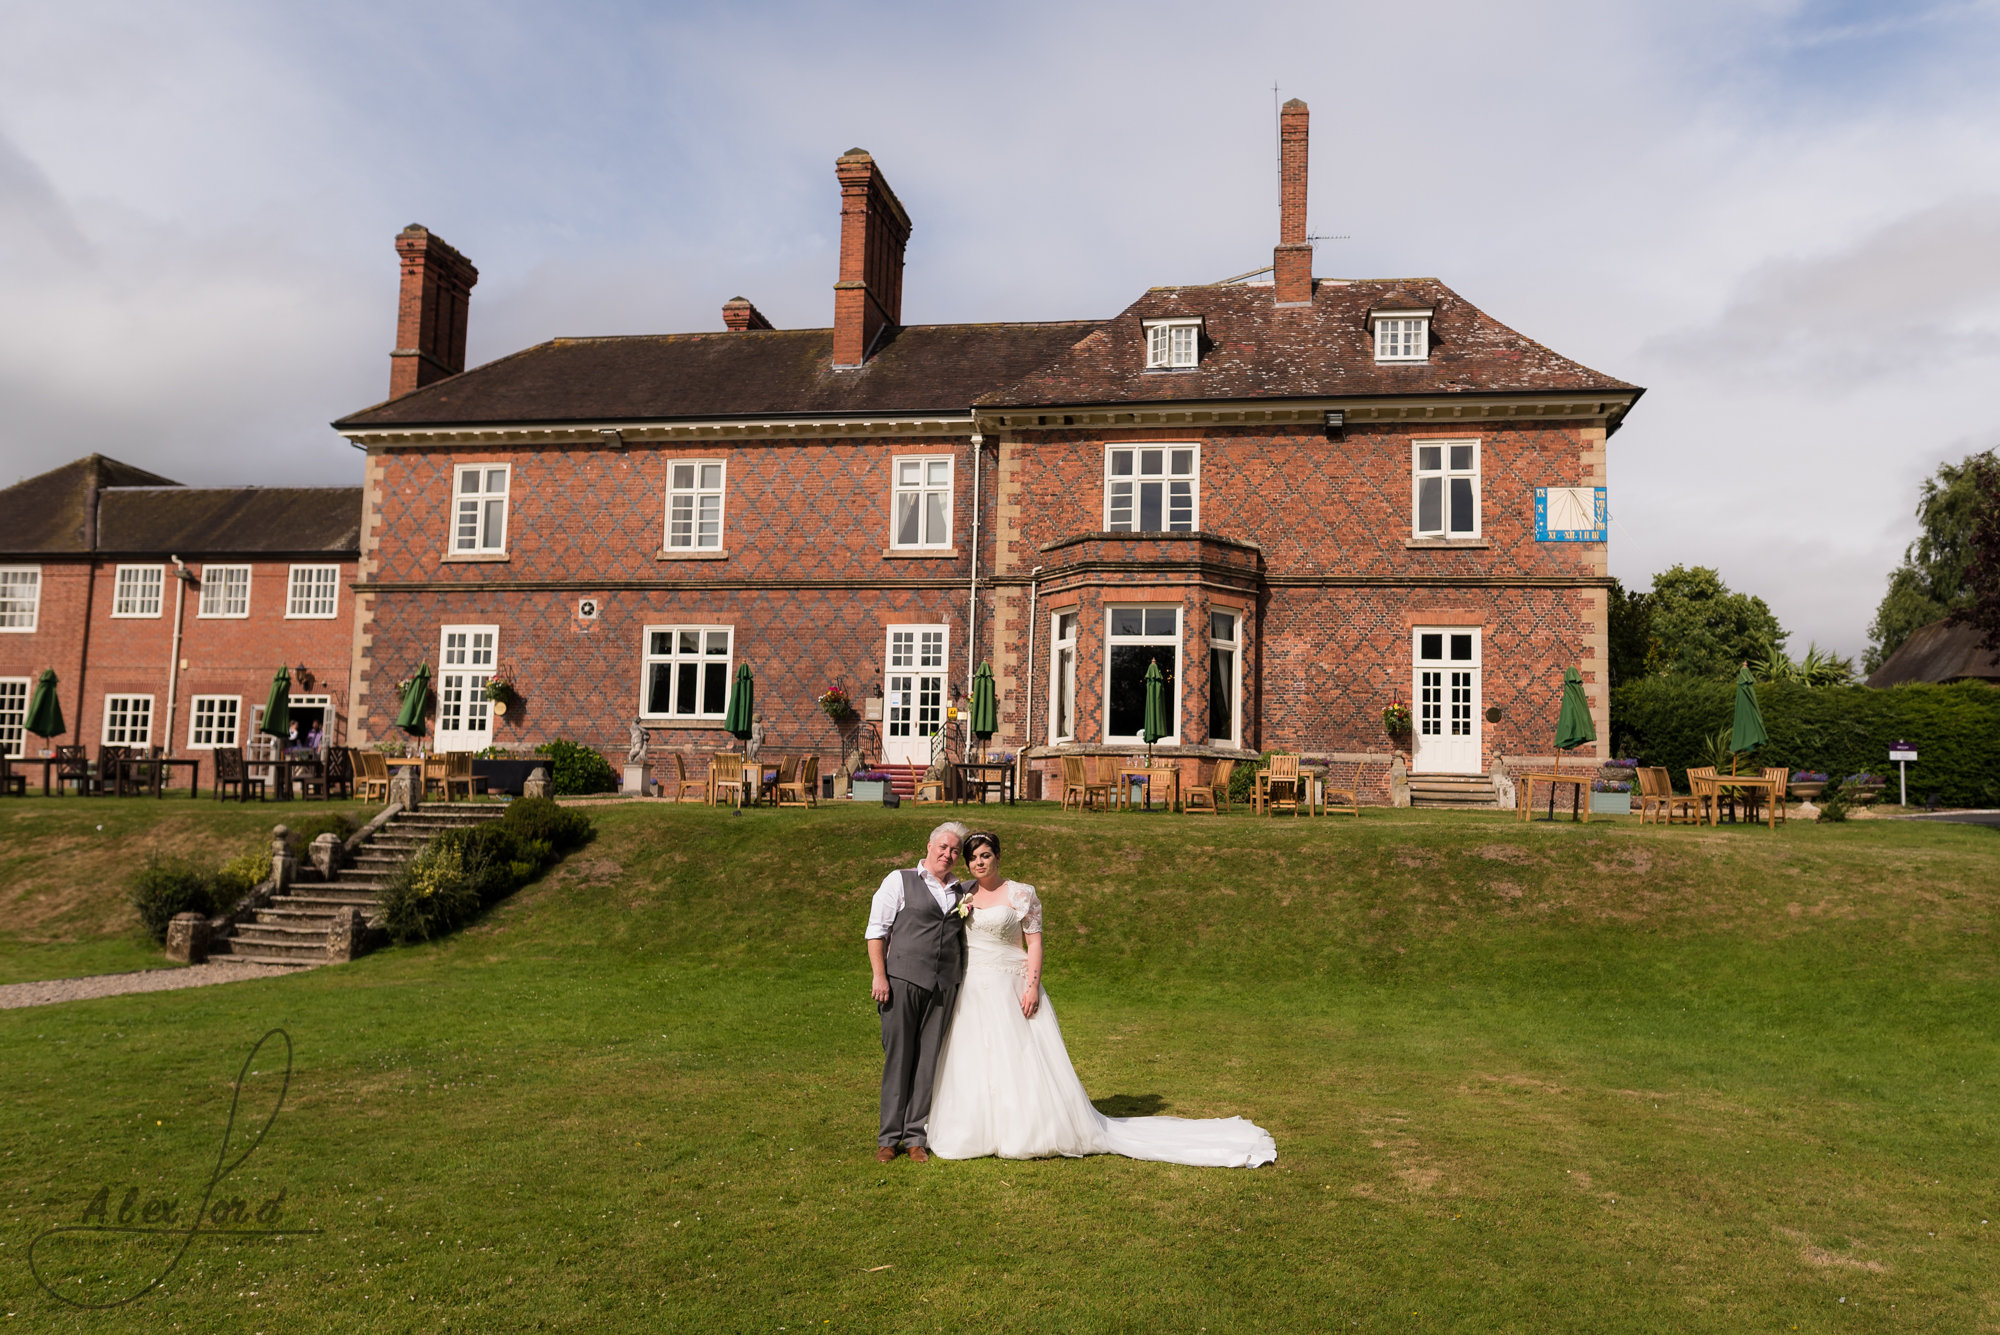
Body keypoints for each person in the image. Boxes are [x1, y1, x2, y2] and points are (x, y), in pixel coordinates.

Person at [926, 832, 1276, 1167]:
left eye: (985, 855)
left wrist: (1032, 986)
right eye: (972, 858)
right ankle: (974, 1129)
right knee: (973, 1056)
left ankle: (1026, 1129)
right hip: (972, 987)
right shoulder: (963, 894)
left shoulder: (1021, 893)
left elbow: (1034, 943)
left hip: (1011, 984)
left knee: (1016, 1056)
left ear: (999, 857)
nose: (978, 863)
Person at [865, 821, 971, 1163]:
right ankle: (888, 1138)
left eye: (955, 850)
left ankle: (915, 1138)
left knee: (927, 1063)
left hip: (943, 986)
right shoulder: (900, 880)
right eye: (943, 846)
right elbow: (876, 932)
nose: (948, 854)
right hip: (902, 981)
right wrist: (879, 976)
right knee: (899, 1059)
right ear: (928, 846)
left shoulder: (962, 892)